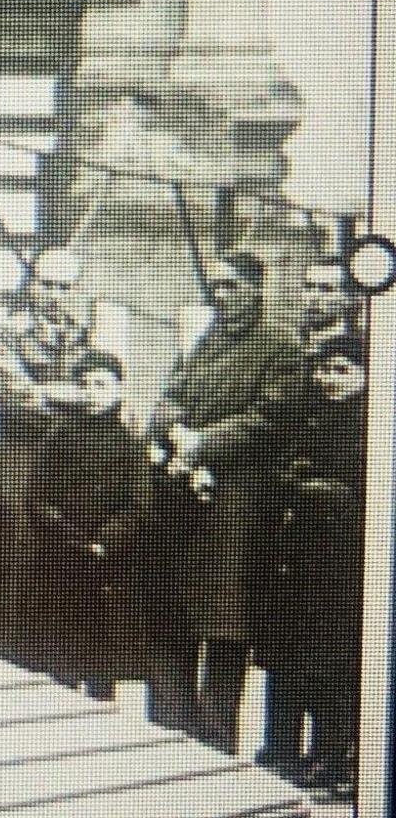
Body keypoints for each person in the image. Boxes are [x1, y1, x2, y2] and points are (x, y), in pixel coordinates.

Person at [143, 251, 300, 753]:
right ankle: (169, 733)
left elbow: (269, 419)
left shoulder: (281, 347)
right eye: (216, 286)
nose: (222, 295)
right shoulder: (206, 341)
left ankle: (215, 744)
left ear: (258, 289)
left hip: (238, 503)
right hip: (184, 498)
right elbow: (172, 396)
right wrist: (170, 434)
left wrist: (203, 443)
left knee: (225, 625)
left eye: (232, 286)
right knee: (174, 615)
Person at [0, 248, 95, 655]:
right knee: (13, 545)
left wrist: (61, 395)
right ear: (31, 284)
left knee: (64, 546)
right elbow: (17, 397)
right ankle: (0, 641)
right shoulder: (7, 331)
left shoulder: (82, 333)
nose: (54, 294)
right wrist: (73, 397)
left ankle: (53, 647)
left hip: (67, 456)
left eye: (64, 287)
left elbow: (101, 391)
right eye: (46, 283)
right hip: (20, 454)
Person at [253, 332, 367, 794]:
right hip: (292, 565)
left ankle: (331, 757)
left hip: (337, 569)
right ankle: (281, 750)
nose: (329, 379)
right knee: (286, 666)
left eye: (343, 370)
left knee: (331, 671)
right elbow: (273, 473)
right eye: (324, 368)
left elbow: (357, 492)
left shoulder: (368, 424)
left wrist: (305, 487)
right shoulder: (304, 417)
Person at [17, 351, 150, 699]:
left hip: (104, 569)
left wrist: (104, 542)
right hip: (58, 561)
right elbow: (36, 495)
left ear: (119, 390)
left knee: (99, 662)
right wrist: (63, 532)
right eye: (86, 385)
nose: (93, 393)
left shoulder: (129, 445)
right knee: (58, 660)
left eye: (101, 385)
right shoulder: (60, 437)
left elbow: (138, 506)